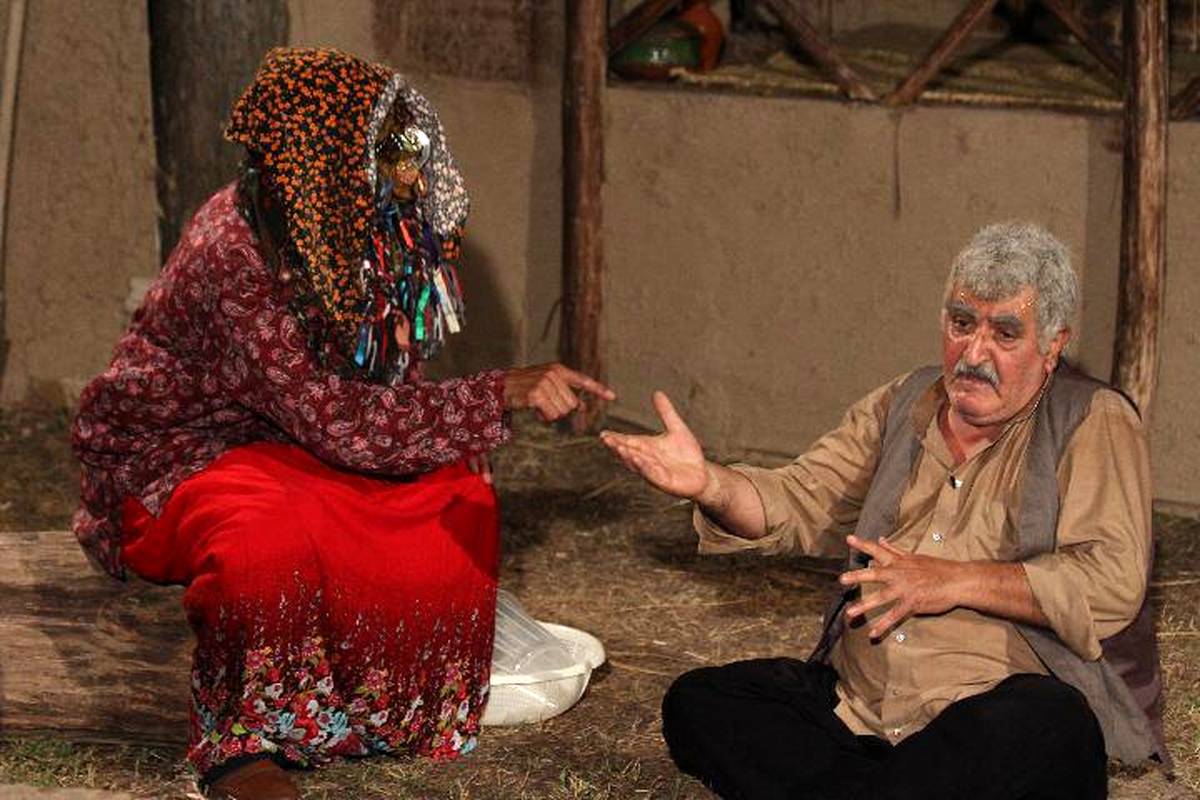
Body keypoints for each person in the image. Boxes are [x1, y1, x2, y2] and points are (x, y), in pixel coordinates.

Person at [71, 47, 613, 800]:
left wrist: (442, 434)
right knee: (268, 543)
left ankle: (386, 702)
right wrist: (495, 395)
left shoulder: (362, 227)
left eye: (410, 150)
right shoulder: (231, 252)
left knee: (454, 501)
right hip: (189, 451)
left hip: (303, 435)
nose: (411, 174)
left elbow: (380, 373)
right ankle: (242, 745)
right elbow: (338, 423)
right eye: (391, 154)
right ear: (320, 161)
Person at [600, 222, 1166, 800]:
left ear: (1052, 346)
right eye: (962, 324)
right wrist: (711, 485)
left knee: (1049, 725)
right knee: (702, 701)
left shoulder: (1091, 420)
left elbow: (1111, 580)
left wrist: (953, 581)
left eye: (1005, 333)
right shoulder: (905, 401)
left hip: (988, 710)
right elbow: (799, 498)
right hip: (858, 710)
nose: (974, 353)